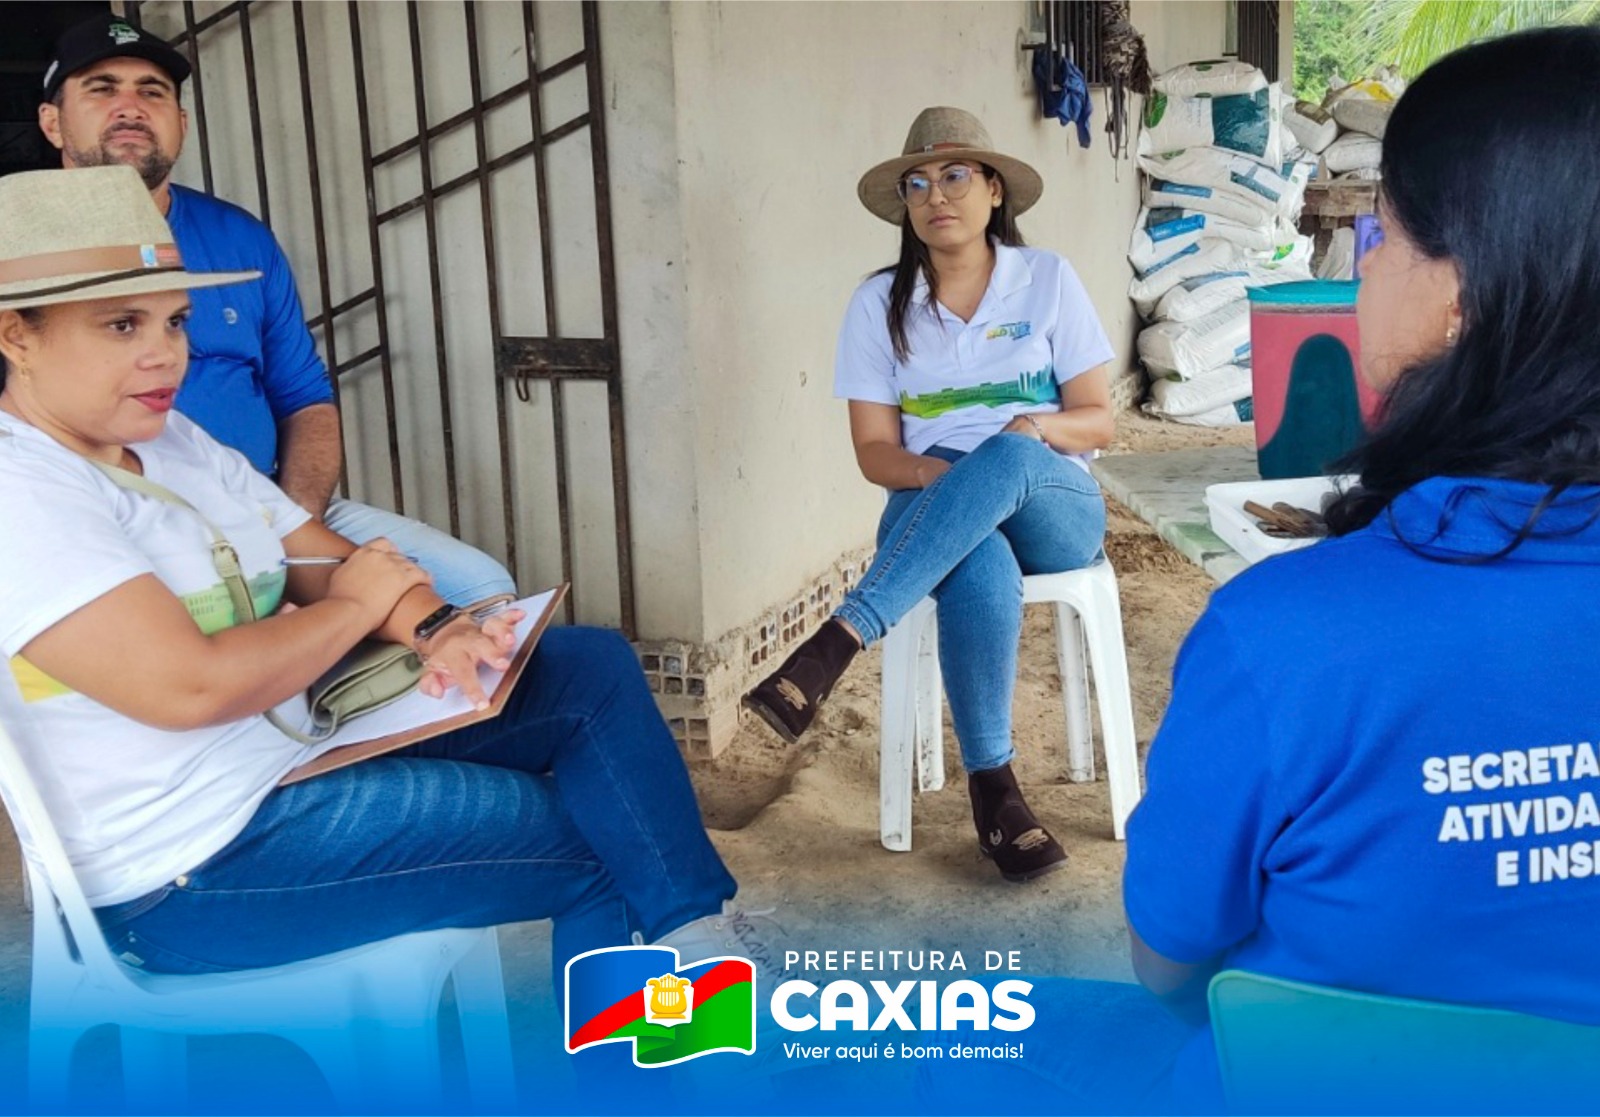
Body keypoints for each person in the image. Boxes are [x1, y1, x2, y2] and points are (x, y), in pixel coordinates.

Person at [0, 167, 785, 1038]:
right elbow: (190, 685)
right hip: (197, 863)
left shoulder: (172, 438)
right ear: (16, 335)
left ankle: (701, 948)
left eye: (175, 321)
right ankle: (682, 1051)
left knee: (588, 670)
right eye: (122, 324)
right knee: (604, 840)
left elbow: (322, 554)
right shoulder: (25, 492)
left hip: (293, 750)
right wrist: (351, 609)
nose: (164, 354)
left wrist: (436, 626)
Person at [1122, 26, 1600, 1110]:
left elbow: (1166, 964)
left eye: (1380, 232)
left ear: (1463, 292)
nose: (1363, 263)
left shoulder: (1283, 637)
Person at [743, 107, 1116, 883]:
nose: (935, 195)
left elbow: (1098, 420)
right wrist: (947, 482)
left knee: (1007, 450)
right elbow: (876, 453)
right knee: (974, 552)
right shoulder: (878, 303)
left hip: (1053, 501)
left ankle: (836, 641)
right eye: (917, 184)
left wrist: (1029, 431)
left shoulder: (1047, 278)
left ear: (994, 190)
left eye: (954, 176)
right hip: (934, 493)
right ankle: (997, 795)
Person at [37, 13, 515, 608]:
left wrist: (291, 526)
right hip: (110, 519)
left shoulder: (239, 238)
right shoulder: (22, 255)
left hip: (270, 503)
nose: (130, 107)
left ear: (181, 123)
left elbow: (304, 397)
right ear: (52, 122)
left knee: (480, 590)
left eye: (152, 91)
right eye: (102, 88)